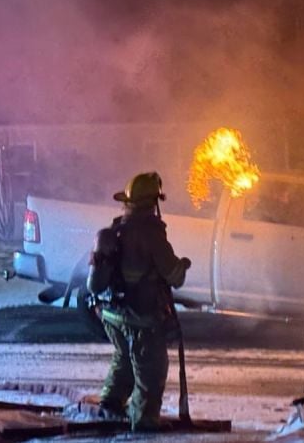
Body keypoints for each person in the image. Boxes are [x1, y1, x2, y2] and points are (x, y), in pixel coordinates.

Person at [94, 172, 191, 432]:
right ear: (152, 203)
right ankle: (144, 424)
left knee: (124, 359)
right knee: (151, 369)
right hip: (141, 318)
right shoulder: (152, 234)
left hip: (112, 314)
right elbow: (174, 276)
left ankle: (110, 405)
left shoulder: (118, 228)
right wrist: (182, 265)